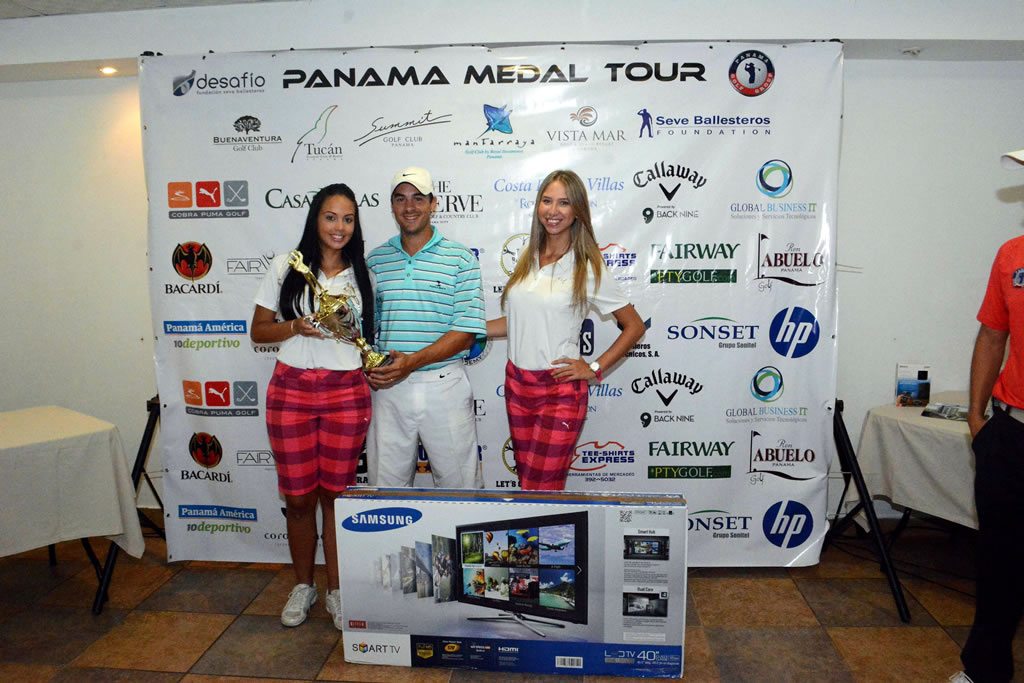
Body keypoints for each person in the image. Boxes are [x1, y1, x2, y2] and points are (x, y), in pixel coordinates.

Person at [250, 183, 374, 630]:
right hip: (291, 390)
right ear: (315, 219)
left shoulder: (364, 274)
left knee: (336, 497)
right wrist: (296, 327)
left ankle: (337, 591)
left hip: (346, 392)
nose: (339, 227)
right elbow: (258, 331)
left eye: (348, 219)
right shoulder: (287, 266)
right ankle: (304, 586)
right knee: (299, 498)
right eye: (330, 217)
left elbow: (369, 338)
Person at [486, 169, 645, 490]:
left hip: (558, 390)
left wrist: (594, 368)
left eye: (564, 202)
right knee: (528, 484)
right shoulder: (529, 257)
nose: (553, 211)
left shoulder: (587, 266)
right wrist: (464, 329)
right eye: (547, 201)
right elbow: (516, 322)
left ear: (577, 211)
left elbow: (634, 326)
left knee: (542, 489)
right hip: (517, 384)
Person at [365, 166, 486, 488]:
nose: (409, 207)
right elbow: (366, 331)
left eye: (418, 198)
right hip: (389, 389)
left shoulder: (461, 259)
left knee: (461, 490)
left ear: (434, 203)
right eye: (400, 198)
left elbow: (466, 334)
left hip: (443, 386)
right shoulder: (375, 260)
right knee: (385, 493)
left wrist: (412, 363)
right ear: (391, 205)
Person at [954, 148, 1024, 683]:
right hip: (1010, 433)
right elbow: (992, 334)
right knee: (999, 562)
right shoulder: (1011, 255)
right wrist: (977, 419)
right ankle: (984, 671)